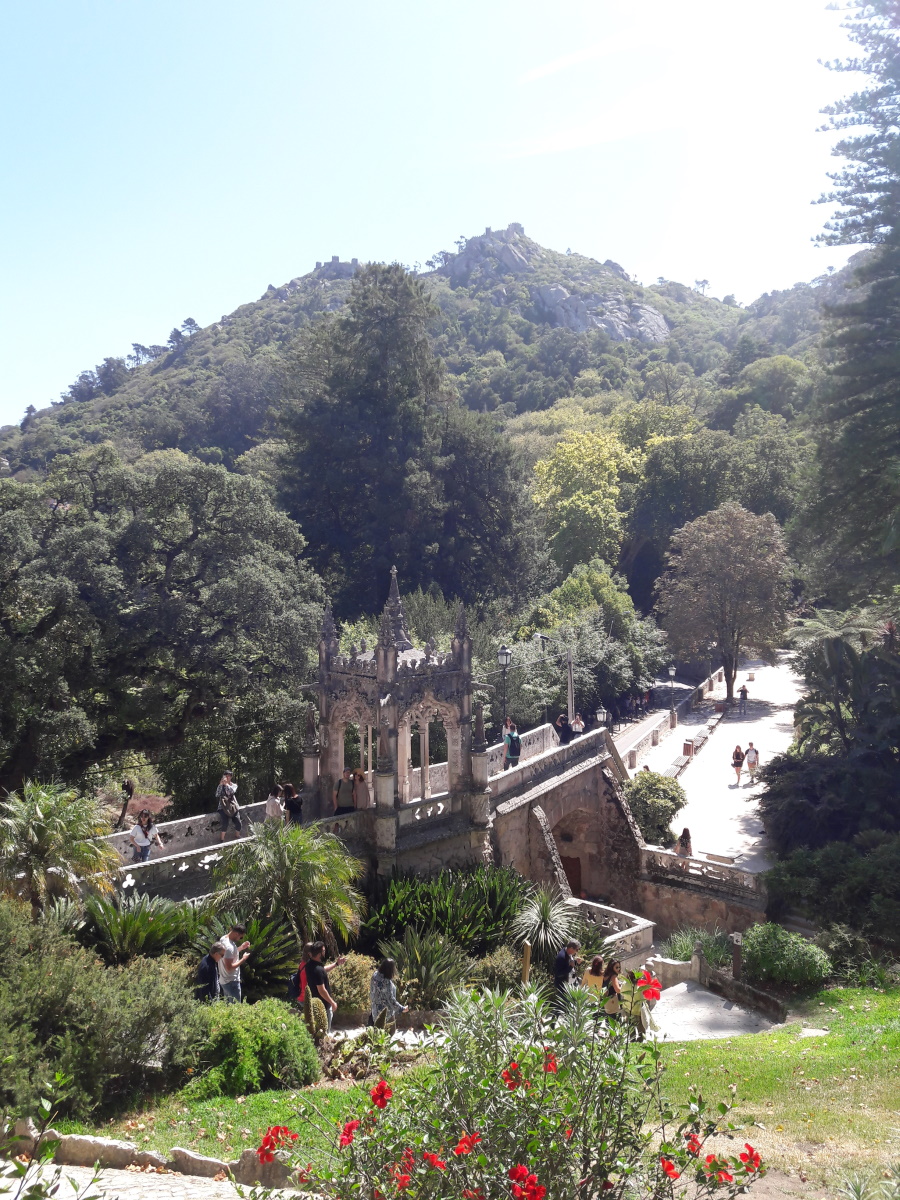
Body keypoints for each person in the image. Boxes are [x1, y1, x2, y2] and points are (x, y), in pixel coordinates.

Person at [306, 941, 340, 1031]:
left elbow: (323, 970)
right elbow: (322, 990)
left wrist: (336, 964)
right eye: (323, 951)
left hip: (315, 1003)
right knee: (324, 1033)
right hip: (323, 1006)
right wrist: (332, 1003)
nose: (325, 952)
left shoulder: (310, 964)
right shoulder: (318, 970)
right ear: (319, 954)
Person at [218, 922, 251, 1003]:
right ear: (236, 934)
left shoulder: (223, 939)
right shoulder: (229, 947)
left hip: (224, 980)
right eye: (241, 937)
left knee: (228, 1008)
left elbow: (229, 955)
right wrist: (243, 959)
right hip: (231, 981)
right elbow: (229, 968)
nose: (241, 939)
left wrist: (241, 947)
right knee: (236, 1009)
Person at [370, 958, 409, 1026]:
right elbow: (390, 999)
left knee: (378, 1031)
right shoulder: (386, 983)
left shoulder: (375, 975)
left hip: (375, 1010)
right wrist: (402, 1008)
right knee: (390, 1031)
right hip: (385, 1013)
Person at [216, 770, 242, 843]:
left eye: (229, 776)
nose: (227, 777)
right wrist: (221, 785)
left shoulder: (234, 785)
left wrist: (226, 785)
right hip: (222, 807)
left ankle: (237, 835)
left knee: (238, 822)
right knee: (225, 822)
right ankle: (221, 840)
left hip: (233, 806)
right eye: (226, 776)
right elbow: (217, 794)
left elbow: (232, 792)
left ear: (231, 777)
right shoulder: (221, 785)